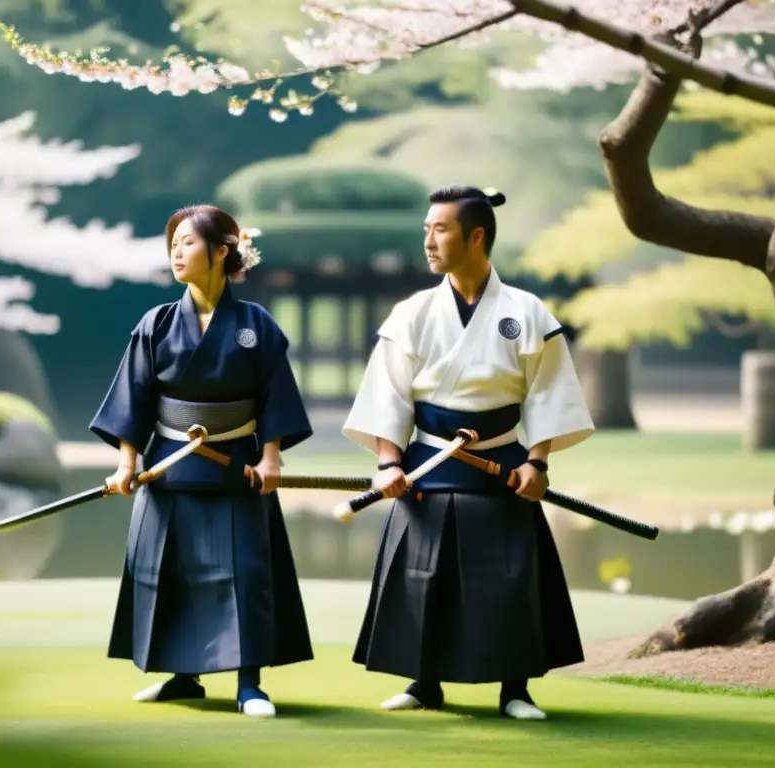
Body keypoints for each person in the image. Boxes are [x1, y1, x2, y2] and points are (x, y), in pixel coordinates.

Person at [341, 185, 594, 720]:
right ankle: (423, 681)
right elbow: (389, 395)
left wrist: (538, 463)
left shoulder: (526, 311)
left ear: (476, 236)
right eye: (426, 229)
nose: (428, 241)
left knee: (508, 580)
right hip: (427, 465)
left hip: (501, 463)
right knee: (422, 577)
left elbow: (549, 393)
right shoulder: (412, 312)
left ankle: (515, 689)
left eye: (440, 229)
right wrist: (389, 463)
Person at [89, 204, 314, 719]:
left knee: (245, 574)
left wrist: (272, 458)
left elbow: (275, 397)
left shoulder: (256, 324)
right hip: (168, 466)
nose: (175, 251)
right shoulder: (158, 323)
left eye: (187, 242)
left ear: (221, 252)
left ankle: (249, 684)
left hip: (237, 466)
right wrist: (128, 464)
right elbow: (134, 398)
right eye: (173, 243)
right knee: (169, 571)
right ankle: (182, 677)